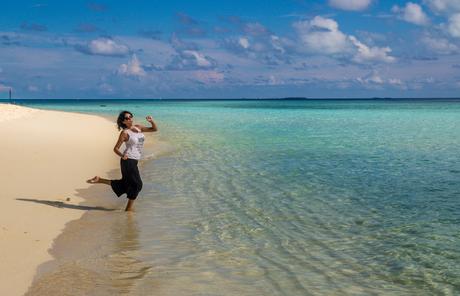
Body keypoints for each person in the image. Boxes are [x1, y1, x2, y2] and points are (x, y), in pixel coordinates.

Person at [86, 111, 157, 211]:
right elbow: (116, 148)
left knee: (126, 183)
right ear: (123, 121)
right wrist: (122, 155)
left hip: (135, 160)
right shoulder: (124, 133)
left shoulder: (138, 127)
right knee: (137, 184)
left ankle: (99, 180)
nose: (130, 119)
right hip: (128, 161)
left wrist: (151, 121)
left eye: (131, 116)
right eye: (127, 118)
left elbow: (154, 129)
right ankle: (128, 209)